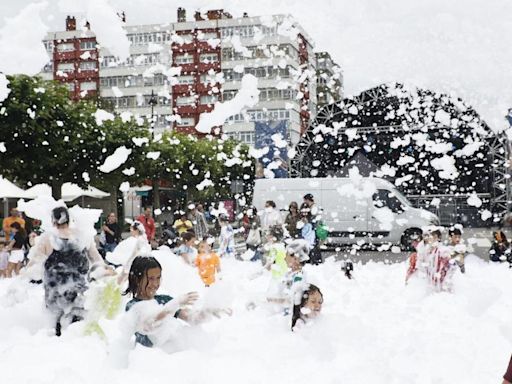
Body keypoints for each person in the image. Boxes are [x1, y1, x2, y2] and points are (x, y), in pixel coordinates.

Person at [25, 206, 114, 336]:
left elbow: (35, 263)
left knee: (57, 328)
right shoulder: (82, 236)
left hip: (55, 292)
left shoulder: (48, 237)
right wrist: (106, 269)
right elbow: (96, 259)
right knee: (78, 327)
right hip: (79, 290)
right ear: (69, 219)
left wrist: (26, 271)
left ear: (53, 221)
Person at [123, 256, 199, 348]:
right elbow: (148, 324)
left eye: (158, 278)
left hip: (169, 356)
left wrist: (209, 311)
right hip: (147, 358)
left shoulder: (164, 300)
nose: (155, 283)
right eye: (151, 278)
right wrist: (173, 305)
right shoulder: (132, 306)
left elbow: (190, 318)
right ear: (137, 279)